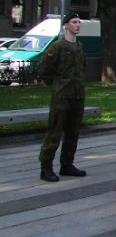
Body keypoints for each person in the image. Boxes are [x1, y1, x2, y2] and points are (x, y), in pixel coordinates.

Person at [37, 12, 87, 182]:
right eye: (74, 22)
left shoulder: (80, 46)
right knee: (55, 131)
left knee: (73, 132)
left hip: (77, 95)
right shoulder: (57, 46)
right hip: (62, 95)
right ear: (66, 25)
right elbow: (45, 68)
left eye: (79, 22)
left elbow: (82, 68)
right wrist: (54, 83)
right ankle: (46, 166)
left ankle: (67, 164)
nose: (78, 25)